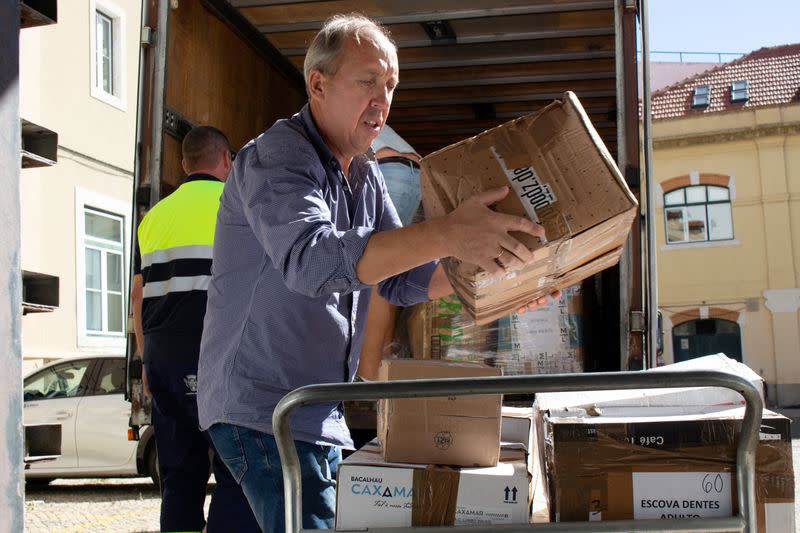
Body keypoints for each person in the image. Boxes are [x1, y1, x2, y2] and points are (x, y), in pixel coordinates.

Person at [197, 14, 557, 533]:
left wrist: (493, 272)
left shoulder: (364, 174)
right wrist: (451, 234)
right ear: (318, 84)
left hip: (312, 412)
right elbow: (312, 262)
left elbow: (401, 279)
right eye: (367, 81)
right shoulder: (276, 158)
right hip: (265, 410)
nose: (382, 100)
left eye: (389, 86)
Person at [131, 126, 259, 533]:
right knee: (234, 474)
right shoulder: (237, 206)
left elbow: (138, 294)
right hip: (221, 359)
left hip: (164, 359)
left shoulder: (153, 219)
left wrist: (145, 360)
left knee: (179, 478)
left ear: (185, 164)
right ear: (225, 160)